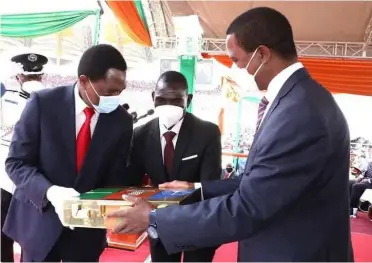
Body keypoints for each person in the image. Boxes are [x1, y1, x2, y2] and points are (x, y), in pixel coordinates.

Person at [106, 7, 353, 262]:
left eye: (236, 60)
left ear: (263, 54)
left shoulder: (299, 112)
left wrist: (154, 218)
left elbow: (248, 207)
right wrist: (197, 189)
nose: (234, 69)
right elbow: (262, 181)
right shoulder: (295, 99)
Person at [3, 44, 133, 262]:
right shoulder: (43, 104)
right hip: (39, 223)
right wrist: (51, 192)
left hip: (86, 232)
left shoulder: (121, 121)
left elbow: (115, 175)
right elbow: (16, 163)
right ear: (84, 81)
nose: (115, 98)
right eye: (109, 92)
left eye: (120, 92)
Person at [126, 70, 221, 262]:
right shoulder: (140, 135)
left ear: (189, 99)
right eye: (161, 99)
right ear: (153, 98)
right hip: (159, 222)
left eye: (176, 100)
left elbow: (210, 185)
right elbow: (132, 183)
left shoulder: (208, 133)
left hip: (197, 222)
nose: (168, 106)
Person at [1, 53, 48, 263]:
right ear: (42, 75)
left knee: (2, 238)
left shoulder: (7, 101)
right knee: (34, 240)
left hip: (5, 180)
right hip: (39, 182)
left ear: (19, 76)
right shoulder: (54, 101)